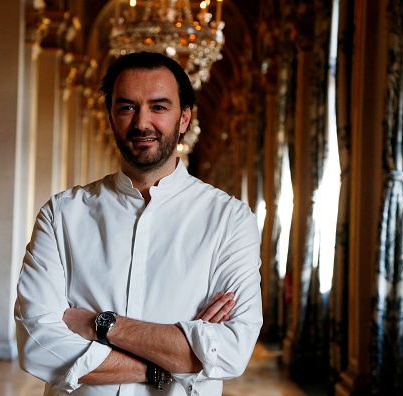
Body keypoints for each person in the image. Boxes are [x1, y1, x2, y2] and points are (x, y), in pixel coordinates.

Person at [15, 51, 263, 395]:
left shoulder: (231, 220)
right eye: (127, 107)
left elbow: (232, 350)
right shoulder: (61, 215)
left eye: (159, 107)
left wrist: (99, 324)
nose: (142, 123)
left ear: (184, 118)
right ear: (111, 116)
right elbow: (38, 347)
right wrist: (175, 362)